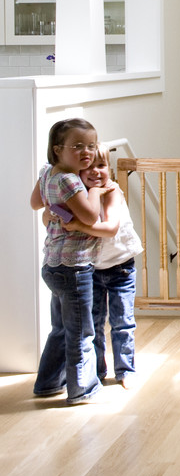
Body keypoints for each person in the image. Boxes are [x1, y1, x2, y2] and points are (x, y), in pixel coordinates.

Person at [30, 117, 115, 405]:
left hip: (53, 265)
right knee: (81, 331)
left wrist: (53, 209)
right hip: (74, 268)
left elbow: (35, 203)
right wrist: (96, 191)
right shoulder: (69, 180)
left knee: (61, 328)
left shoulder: (48, 173)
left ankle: (48, 383)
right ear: (57, 149)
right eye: (77, 146)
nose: (87, 152)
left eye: (91, 145)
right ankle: (82, 389)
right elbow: (91, 217)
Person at [76, 146, 142, 388]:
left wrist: (75, 225)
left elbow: (109, 226)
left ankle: (125, 370)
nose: (95, 172)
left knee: (122, 321)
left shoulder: (112, 190)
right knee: (92, 324)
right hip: (91, 269)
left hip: (120, 267)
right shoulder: (79, 196)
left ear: (110, 169)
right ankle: (97, 371)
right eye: (88, 167)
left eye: (101, 166)